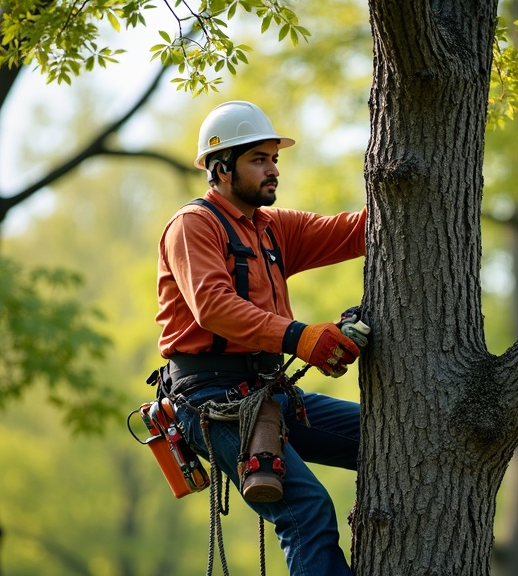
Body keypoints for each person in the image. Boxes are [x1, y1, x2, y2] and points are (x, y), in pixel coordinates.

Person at [155, 100, 366, 576]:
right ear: (221, 168)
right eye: (259, 159)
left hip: (269, 393)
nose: (273, 170)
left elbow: (352, 233)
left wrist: (413, 198)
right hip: (212, 400)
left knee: (386, 440)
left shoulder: (271, 227)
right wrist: (300, 337)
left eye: (274, 159)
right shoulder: (194, 226)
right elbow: (213, 307)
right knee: (306, 511)